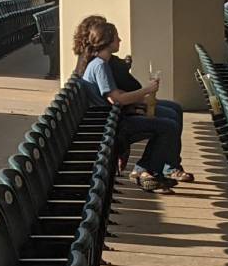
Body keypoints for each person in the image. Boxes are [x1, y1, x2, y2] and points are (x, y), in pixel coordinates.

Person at [72, 14, 189, 189]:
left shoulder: (99, 63)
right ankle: (148, 171)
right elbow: (116, 98)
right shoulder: (100, 66)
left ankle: (149, 170)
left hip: (112, 120)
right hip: (112, 125)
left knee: (168, 122)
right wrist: (147, 90)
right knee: (168, 126)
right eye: (116, 37)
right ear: (108, 41)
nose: (120, 40)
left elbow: (115, 93)